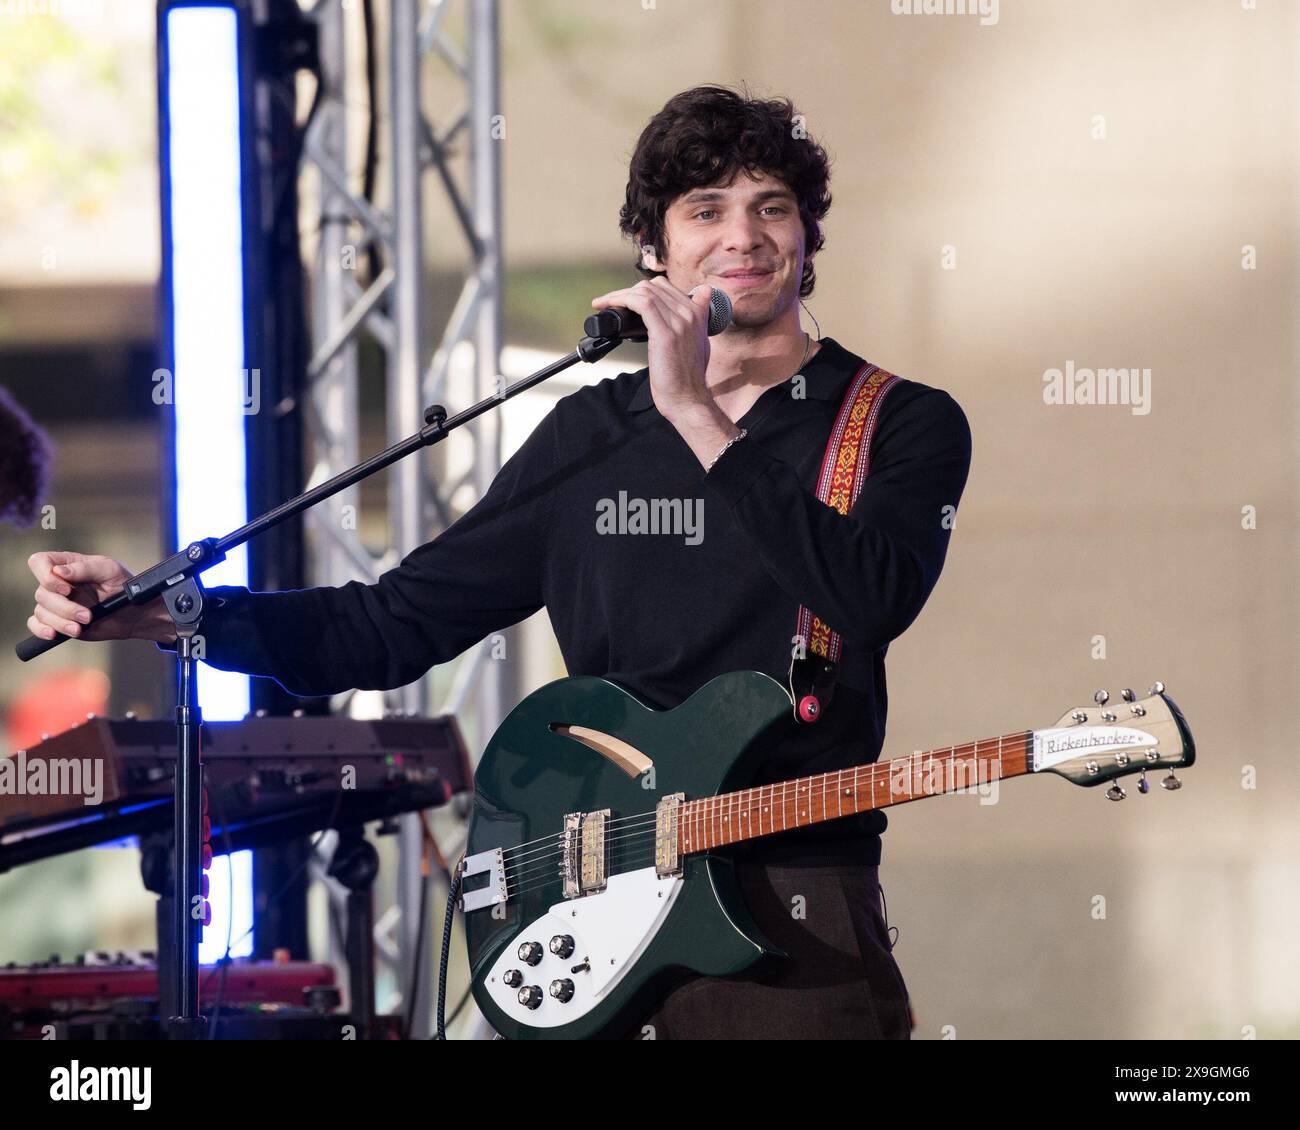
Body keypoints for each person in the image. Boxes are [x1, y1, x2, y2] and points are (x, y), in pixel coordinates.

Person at [26, 84, 971, 1039]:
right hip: (588, 907)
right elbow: (390, 625)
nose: (745, 235)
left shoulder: (897, 421)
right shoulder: (591, 434)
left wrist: (695, 412)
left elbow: (871, 595)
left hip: (790, 917)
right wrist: (179, 614)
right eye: (706, 210)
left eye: (773, 206)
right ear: (655, 251)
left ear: (808, 235)